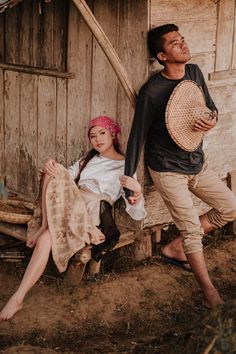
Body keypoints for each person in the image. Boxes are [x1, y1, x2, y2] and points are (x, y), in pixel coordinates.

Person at [124, 24, 236, 308]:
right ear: (162, 56)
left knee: (230, 208)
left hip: (196, 163)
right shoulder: (152, 91)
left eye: (182, 39)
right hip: (166, 169)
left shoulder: (195, 73)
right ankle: (210, 293)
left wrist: (212, 119)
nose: (183, 45)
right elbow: (137, 137)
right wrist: (129, 182)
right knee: (191, 231)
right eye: (175, 43)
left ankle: (174, 249)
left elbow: (211, 108)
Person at [0, 116, 146, 321]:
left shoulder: (125, 167)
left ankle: (19, 294)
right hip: (71, 203)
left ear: (113, 134)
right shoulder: (88, 159)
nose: (97, 139)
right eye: (93, 136)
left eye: (102, 133)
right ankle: (43, 229)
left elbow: (137, 210)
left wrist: (137, 190)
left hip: (91, 210)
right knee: (52, 170)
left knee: (45, 237)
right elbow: (65, 177)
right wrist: (51, 167)